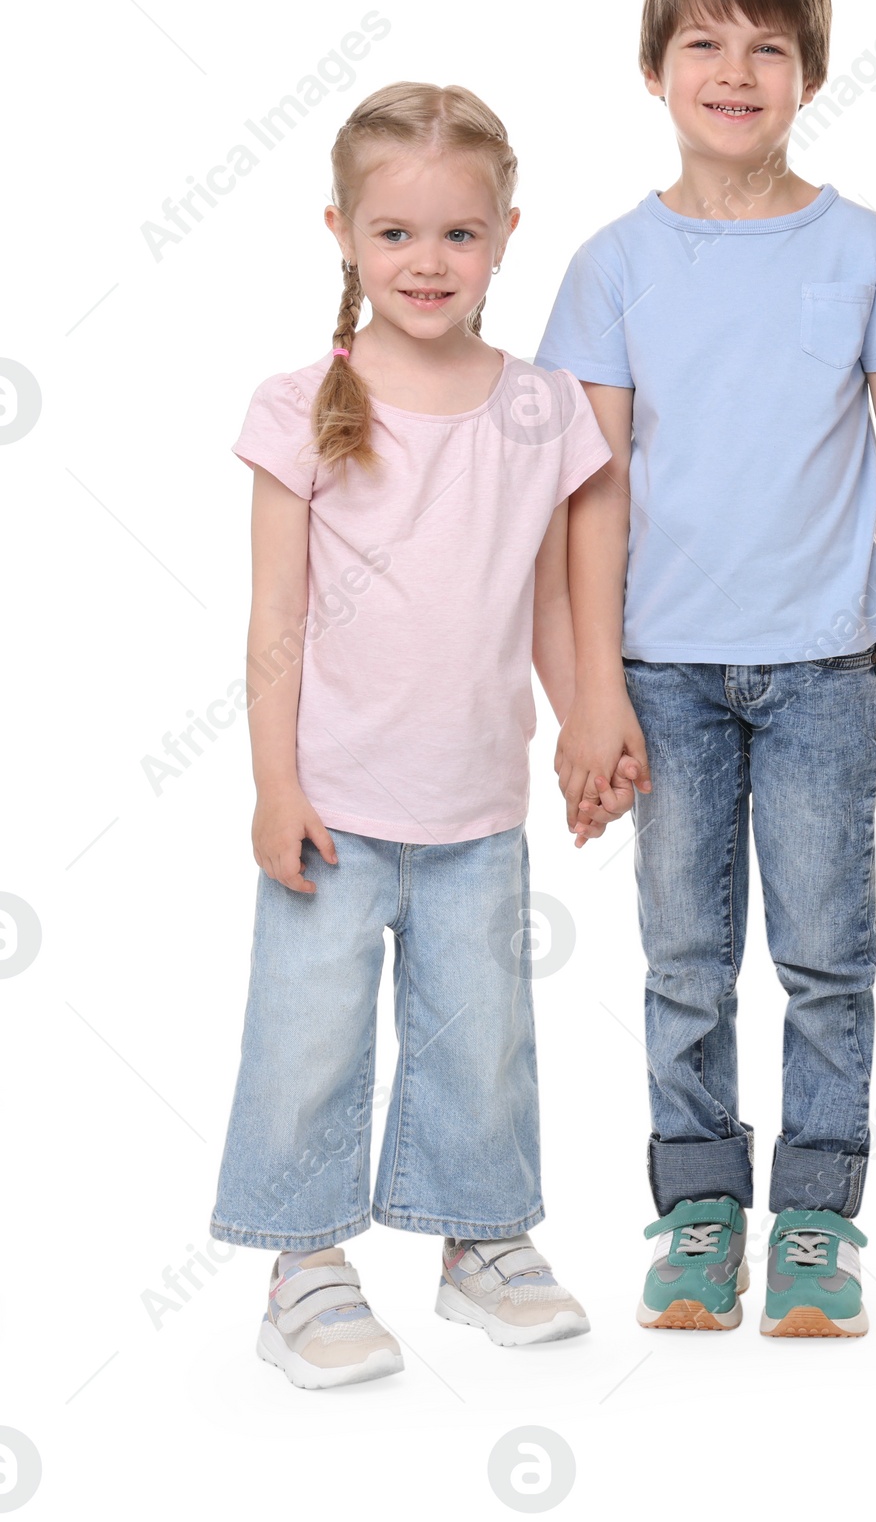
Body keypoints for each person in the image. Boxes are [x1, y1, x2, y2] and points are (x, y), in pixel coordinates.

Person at [536, 0, 876, 1337]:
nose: (735, 71)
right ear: (654, 66)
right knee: (683, 955)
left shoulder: (860, 246)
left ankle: (815, 1219)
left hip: (821, 672)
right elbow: (588, 494)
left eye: (768, 48)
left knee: (824, 953)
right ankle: (696, 1213)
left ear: (809, 73)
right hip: (662, 672)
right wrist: (591, 696)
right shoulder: (613, 264)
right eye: (704, 44)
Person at [209, 82, 614, 1387]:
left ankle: (481, 1238)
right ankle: (305, 1261)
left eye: (457, 235)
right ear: (341, 232)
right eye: (394, 235)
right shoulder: (301, 405)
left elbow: (549, 596)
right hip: (333, 802)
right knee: (311, 1036)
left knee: (479, 1032)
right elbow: (276, 618)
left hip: (476, 803)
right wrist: (276, 784)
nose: (426, 263)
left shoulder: (541, 406)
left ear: (504, 233)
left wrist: (587, 724)